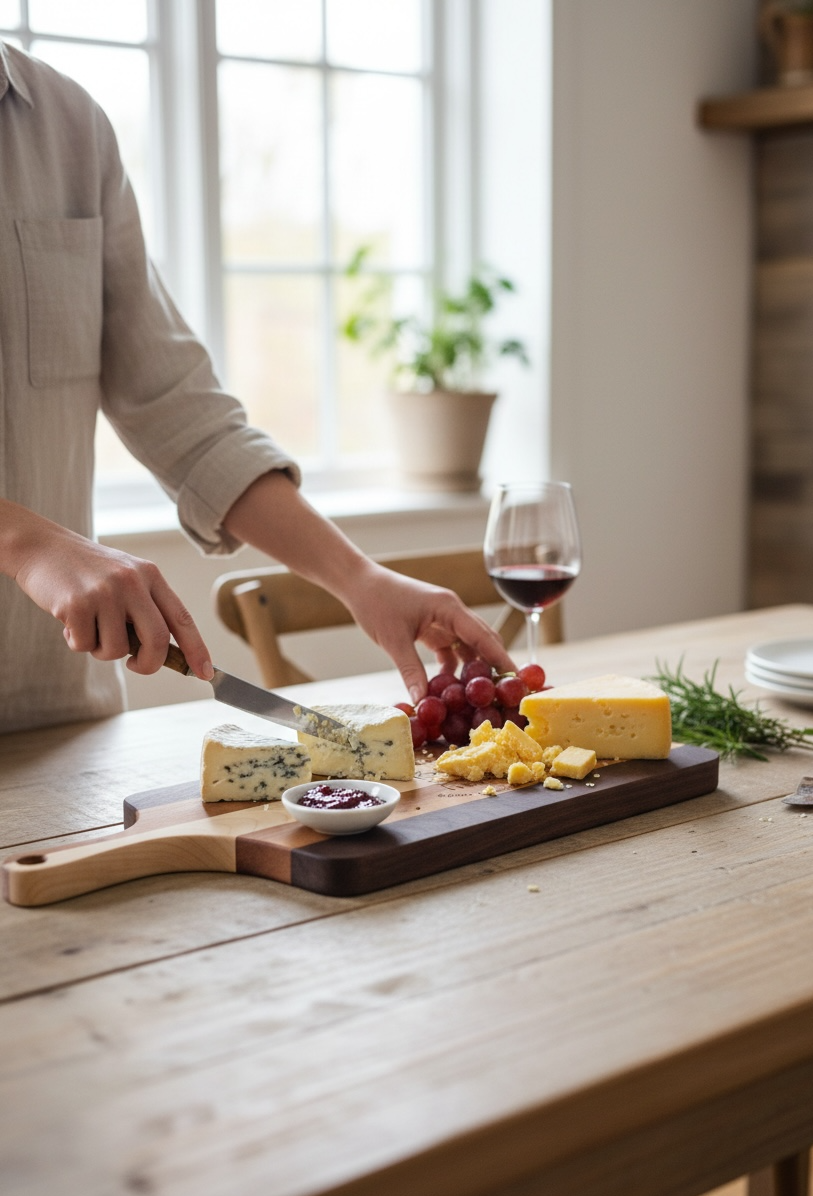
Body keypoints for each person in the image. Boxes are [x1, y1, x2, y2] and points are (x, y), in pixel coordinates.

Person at [0, 41, 513, 734]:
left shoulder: (70, 127)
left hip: (61, 721)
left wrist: (362, 579)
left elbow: (184, 418)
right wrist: (24, 539)